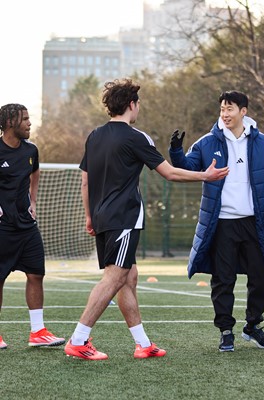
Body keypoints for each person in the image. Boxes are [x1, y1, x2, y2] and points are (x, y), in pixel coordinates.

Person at [64, 78, 229, 361]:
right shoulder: (136, 137)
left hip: (103, 217)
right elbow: (170, 173)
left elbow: (85, 181)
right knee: (115, 277)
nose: (138, 108)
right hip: (124, 217)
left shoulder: (94, 136)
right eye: (138, 104)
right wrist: (206, 175)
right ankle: (79, 339)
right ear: (131, 104)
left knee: (129, 277)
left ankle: (143, 344)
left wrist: (90, 217)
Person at [169, 90, 264, 352]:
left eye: (230, 109)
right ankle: (226, 330)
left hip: (254, 221)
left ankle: (253, 326)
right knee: (223, 279)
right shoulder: (207, 142)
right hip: (221, 223)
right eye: (222, 109)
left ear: (243, 111)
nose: (225, 114)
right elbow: (187, 167)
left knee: (260, 277)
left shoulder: (263, 142)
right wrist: (176, 150)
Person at [0, 103, 65, 350]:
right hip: (2, 227)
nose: (29, 123)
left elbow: (34, 173)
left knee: (36, 273)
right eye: (24, 119)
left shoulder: (31, 150)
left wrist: (33, 200)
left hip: (26, 226)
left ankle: (38, 332)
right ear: (9, 123)